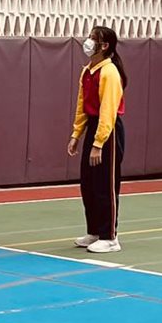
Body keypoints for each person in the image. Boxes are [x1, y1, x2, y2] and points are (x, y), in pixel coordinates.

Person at [68, 24, 128, 254]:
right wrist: (77, 134)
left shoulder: (109, 72)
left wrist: (98, 143)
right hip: (93, 127)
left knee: (105, 185)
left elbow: (108, 110)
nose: (88, 41)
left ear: (104, 45)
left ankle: (109, 237)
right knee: (89, 184)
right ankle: (94, 231)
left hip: (108, 131)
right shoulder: (88, 71)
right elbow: (82, 105)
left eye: (93, 38)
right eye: (89, 37)